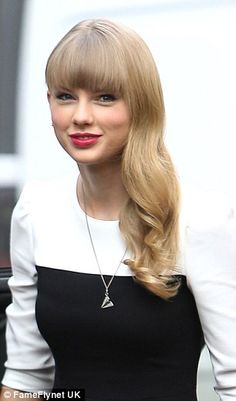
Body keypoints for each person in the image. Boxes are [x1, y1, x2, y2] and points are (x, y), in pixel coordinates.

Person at [0, 18, 236, 401]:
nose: (80, 115)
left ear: (141, 106)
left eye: (105, 97)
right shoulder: (36, 210)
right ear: (49, 103)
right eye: (65, 96)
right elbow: (25, 379)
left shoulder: (201, 219)